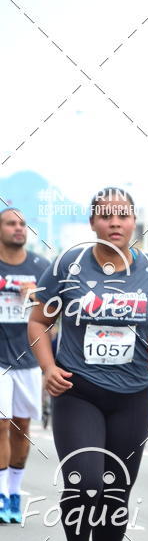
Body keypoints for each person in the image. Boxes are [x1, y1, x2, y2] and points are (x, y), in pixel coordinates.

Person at [28, 188, 148, 541]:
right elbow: (39, 321)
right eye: (106, 215)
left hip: (133, 395)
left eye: (123, 215)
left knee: (116, 491)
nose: (115, 222)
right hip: (78, 392)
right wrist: (48, 367)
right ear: (92, 222)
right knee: (86, 481)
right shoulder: (69, 265)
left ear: (134, 221)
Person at [0, 208, 50, 523]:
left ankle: (14, 493)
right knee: (1, 424)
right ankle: (1, 495)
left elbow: (54, 316)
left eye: (22, 224)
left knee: (21, 428)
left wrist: (36, 299)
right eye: (11, 223)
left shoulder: (41, 267)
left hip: (28, 360)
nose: (18, 228)